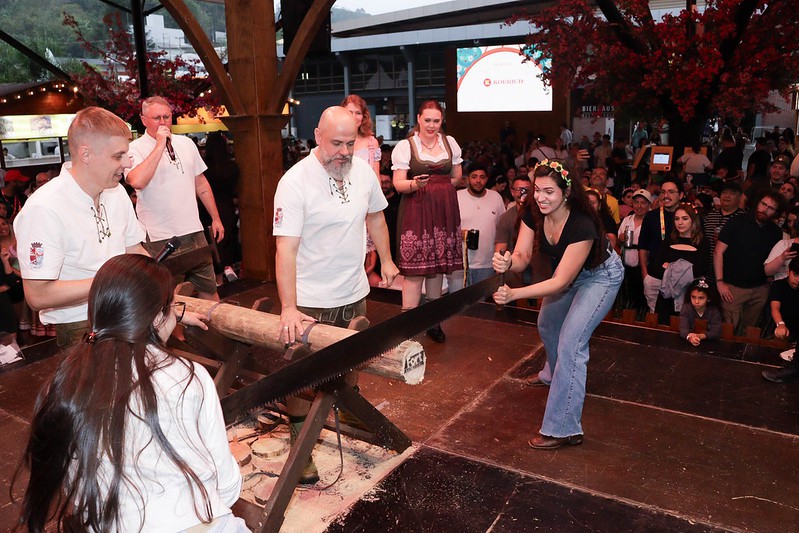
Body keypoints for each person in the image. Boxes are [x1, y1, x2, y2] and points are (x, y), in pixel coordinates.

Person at [14, 254, 245, 532]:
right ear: (158, 317)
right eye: (173, 307)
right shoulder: (187, 376)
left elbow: (77, 487)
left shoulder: (65, 379)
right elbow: (227, 486)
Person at [274, 106, 398, 483]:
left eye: (350, 143)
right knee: (300, 378)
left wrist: (387, 262)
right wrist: (289, 307)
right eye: (336, 144)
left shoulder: (362, 172)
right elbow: (286, 249)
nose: (344, 151)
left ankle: (346, 408)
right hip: (310, 299)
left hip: (353, 291)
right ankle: (300, 441)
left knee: (351, 363)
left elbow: (376, 216)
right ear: (316, 136)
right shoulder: (294, 182)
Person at [492, 159, 624, 449]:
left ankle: (564, 428)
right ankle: (554, 374)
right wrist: (508, 260)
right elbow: (523, 257)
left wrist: (515, 294)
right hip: (568, 273)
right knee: (548, 323)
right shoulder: (533, 212)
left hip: (599, 277)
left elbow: (561, 281)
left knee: (571, 344)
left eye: (549, 191)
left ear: (566, 192)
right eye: (538, 190)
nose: (541, 197)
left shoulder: (581, 223)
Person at [13, 107, 147, 346]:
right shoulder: (44, 207)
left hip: (126, 310)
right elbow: (38, 295)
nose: (127, 163)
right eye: (118, 156)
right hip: (79, 325)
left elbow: (134, 249)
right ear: (86, 155)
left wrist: (158, 283)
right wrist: (112, 281)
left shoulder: (116, 193)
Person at [126, 96, 224, 301]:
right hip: (160, 235)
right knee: (169, 295)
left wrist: (215, 217)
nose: (163, 122)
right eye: (156, 118)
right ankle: (176, 334)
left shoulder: (186, 143)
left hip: (193, 230)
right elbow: (137, 181)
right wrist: (159, 145)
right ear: (143, 120)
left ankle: (212, 331)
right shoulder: (135, 148)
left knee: (208, 287)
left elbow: (201, 183)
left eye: (166, 116)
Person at [391, 100, 463, 343]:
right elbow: (398, 184)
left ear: (441, 121)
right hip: (417, 208)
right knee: (414, 272)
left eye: (437, 120)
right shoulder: (406, 146)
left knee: (437, 269)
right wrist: (417, 185)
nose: (432, 125)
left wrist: (440, 191)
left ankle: (434, 322)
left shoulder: (450, 143)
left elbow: (457, 177)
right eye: (427, 120)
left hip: (444, 210)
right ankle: (407, 327)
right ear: (419, 119)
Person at [715, 190, 784, 334]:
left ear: (776, 212)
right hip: (732, 287)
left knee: (749, 331)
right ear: (757, 203)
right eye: (763, 204)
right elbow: (718, 251)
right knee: (728, 330)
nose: (765, 209)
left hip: (760, 288)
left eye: (770, 208)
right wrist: (720, 282)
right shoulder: (737, 222)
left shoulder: (776, 232)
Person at [450, 163, 505, 288]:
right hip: (460, 263)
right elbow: (446, 227)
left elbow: (502, 229)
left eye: (482, 177)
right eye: (474, 177)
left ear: (487, 179)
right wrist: (461, 233)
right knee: (457, 303)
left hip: (487, 264)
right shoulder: (456, 197)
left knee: (482, 305)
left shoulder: (496, 197)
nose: (478, 181)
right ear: (467, 179)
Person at [652, 204, 709, 323]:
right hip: (667, 297)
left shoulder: (702, 242)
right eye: (677, 219)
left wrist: (671, 268)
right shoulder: (669, 240)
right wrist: (686, 268)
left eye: (685, 218)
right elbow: (655, 267)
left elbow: (701, 269)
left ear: (693, 220)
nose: (680, 222)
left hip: (691, 296)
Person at [200, 131, 240, 284]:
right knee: (227, 238)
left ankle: (217, 276)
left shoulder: (205, 169)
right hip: (227, 207)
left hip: (207, 209)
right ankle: (228, 266)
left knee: (212, 242)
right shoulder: (232, 167)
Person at [638, 177, 683, 312]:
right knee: (655, 318)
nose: (666, 196)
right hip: (654, 277)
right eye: (663, 192)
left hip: (680, 279)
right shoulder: (651, 217)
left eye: (671, 192)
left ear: (681, 195)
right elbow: (643, 247)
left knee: (678, 319)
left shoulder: (687, 217)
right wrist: (645, 275)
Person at [761, 257, 799, 383]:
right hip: (783, 328)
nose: (798, 280)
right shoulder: (779, 285)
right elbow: (775, 308)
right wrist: (780, 324)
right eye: (796, 275)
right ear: (789, 271)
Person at [617, 189, 651, 314]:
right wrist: (621, 238)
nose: (639, 206)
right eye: (636, 202)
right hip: (627, 265)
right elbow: (619, 237)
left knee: (643, 296)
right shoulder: (627, 219)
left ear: (649, 205)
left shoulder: (651, 221)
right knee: (628, 294)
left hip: (645, 266)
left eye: (643, 203)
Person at [342, 94, 381, 177]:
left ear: (363, 116)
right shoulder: (332, 140)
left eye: (358, 113)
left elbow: (376, 179)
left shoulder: (372, 143)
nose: (354, 117)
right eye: (350, 112)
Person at [680, 277, 723, 346]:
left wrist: (700, 336)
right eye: (693, 297)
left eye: (701, 298)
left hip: (710, 345)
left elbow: (716, 332)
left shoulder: (714, 311)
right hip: (688, 343)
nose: (696, 302)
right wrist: (690, 337)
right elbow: (683, 329)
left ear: (708, 299)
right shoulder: (686, 308)